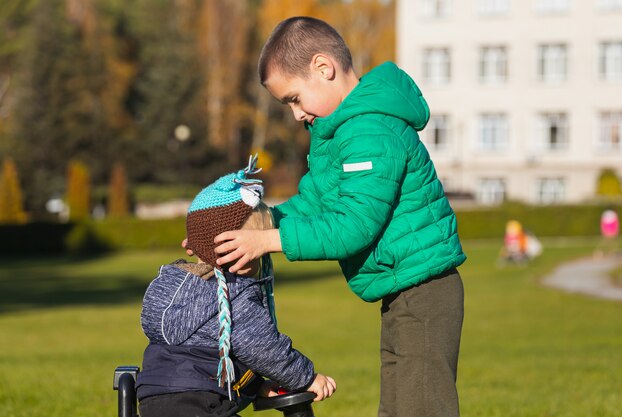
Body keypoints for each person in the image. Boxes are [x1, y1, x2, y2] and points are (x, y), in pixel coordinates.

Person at [187, 16, 466, 417]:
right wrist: (235, 227)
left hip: (425, 292)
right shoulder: (341, 134)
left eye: (295, 99)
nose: (297, 115)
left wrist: (266, 241)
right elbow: (310, 206)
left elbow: (353, 227)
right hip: (406, 290)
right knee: (402, 405)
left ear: (323, 68)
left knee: (420, 407)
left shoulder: (370, 131)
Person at [139, 156, 336, 417]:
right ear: (238, 248)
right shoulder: (232, 294)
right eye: (260, 249)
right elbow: (264, 348)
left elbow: (215, 353)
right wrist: (306, 378)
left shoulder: (174, 286)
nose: (263, 259)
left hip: (153, 398)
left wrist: (255, 387)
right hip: (202, 403)